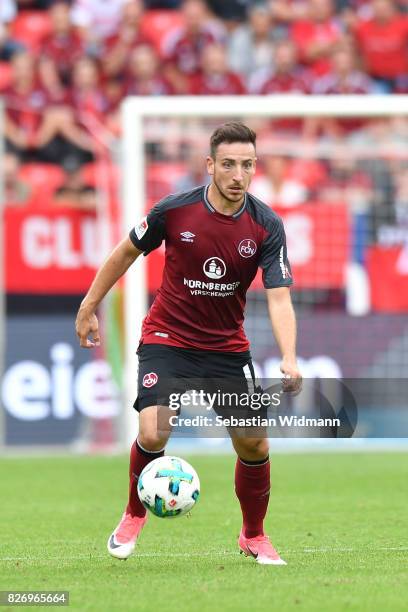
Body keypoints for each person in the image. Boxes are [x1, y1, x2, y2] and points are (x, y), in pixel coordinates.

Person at [75, 122, 302, 566]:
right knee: (154, 430)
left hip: (226, 348)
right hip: (168, 338)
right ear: (211, 165)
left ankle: (253, 535)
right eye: (230, 164)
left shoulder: (266, 225)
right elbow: (124, 252)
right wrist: (89, 305)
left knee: (254, 443)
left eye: (248, 165)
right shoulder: (174, 210)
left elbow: (279, 298)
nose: (239, 174)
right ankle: (132, 514)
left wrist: (290, 357)